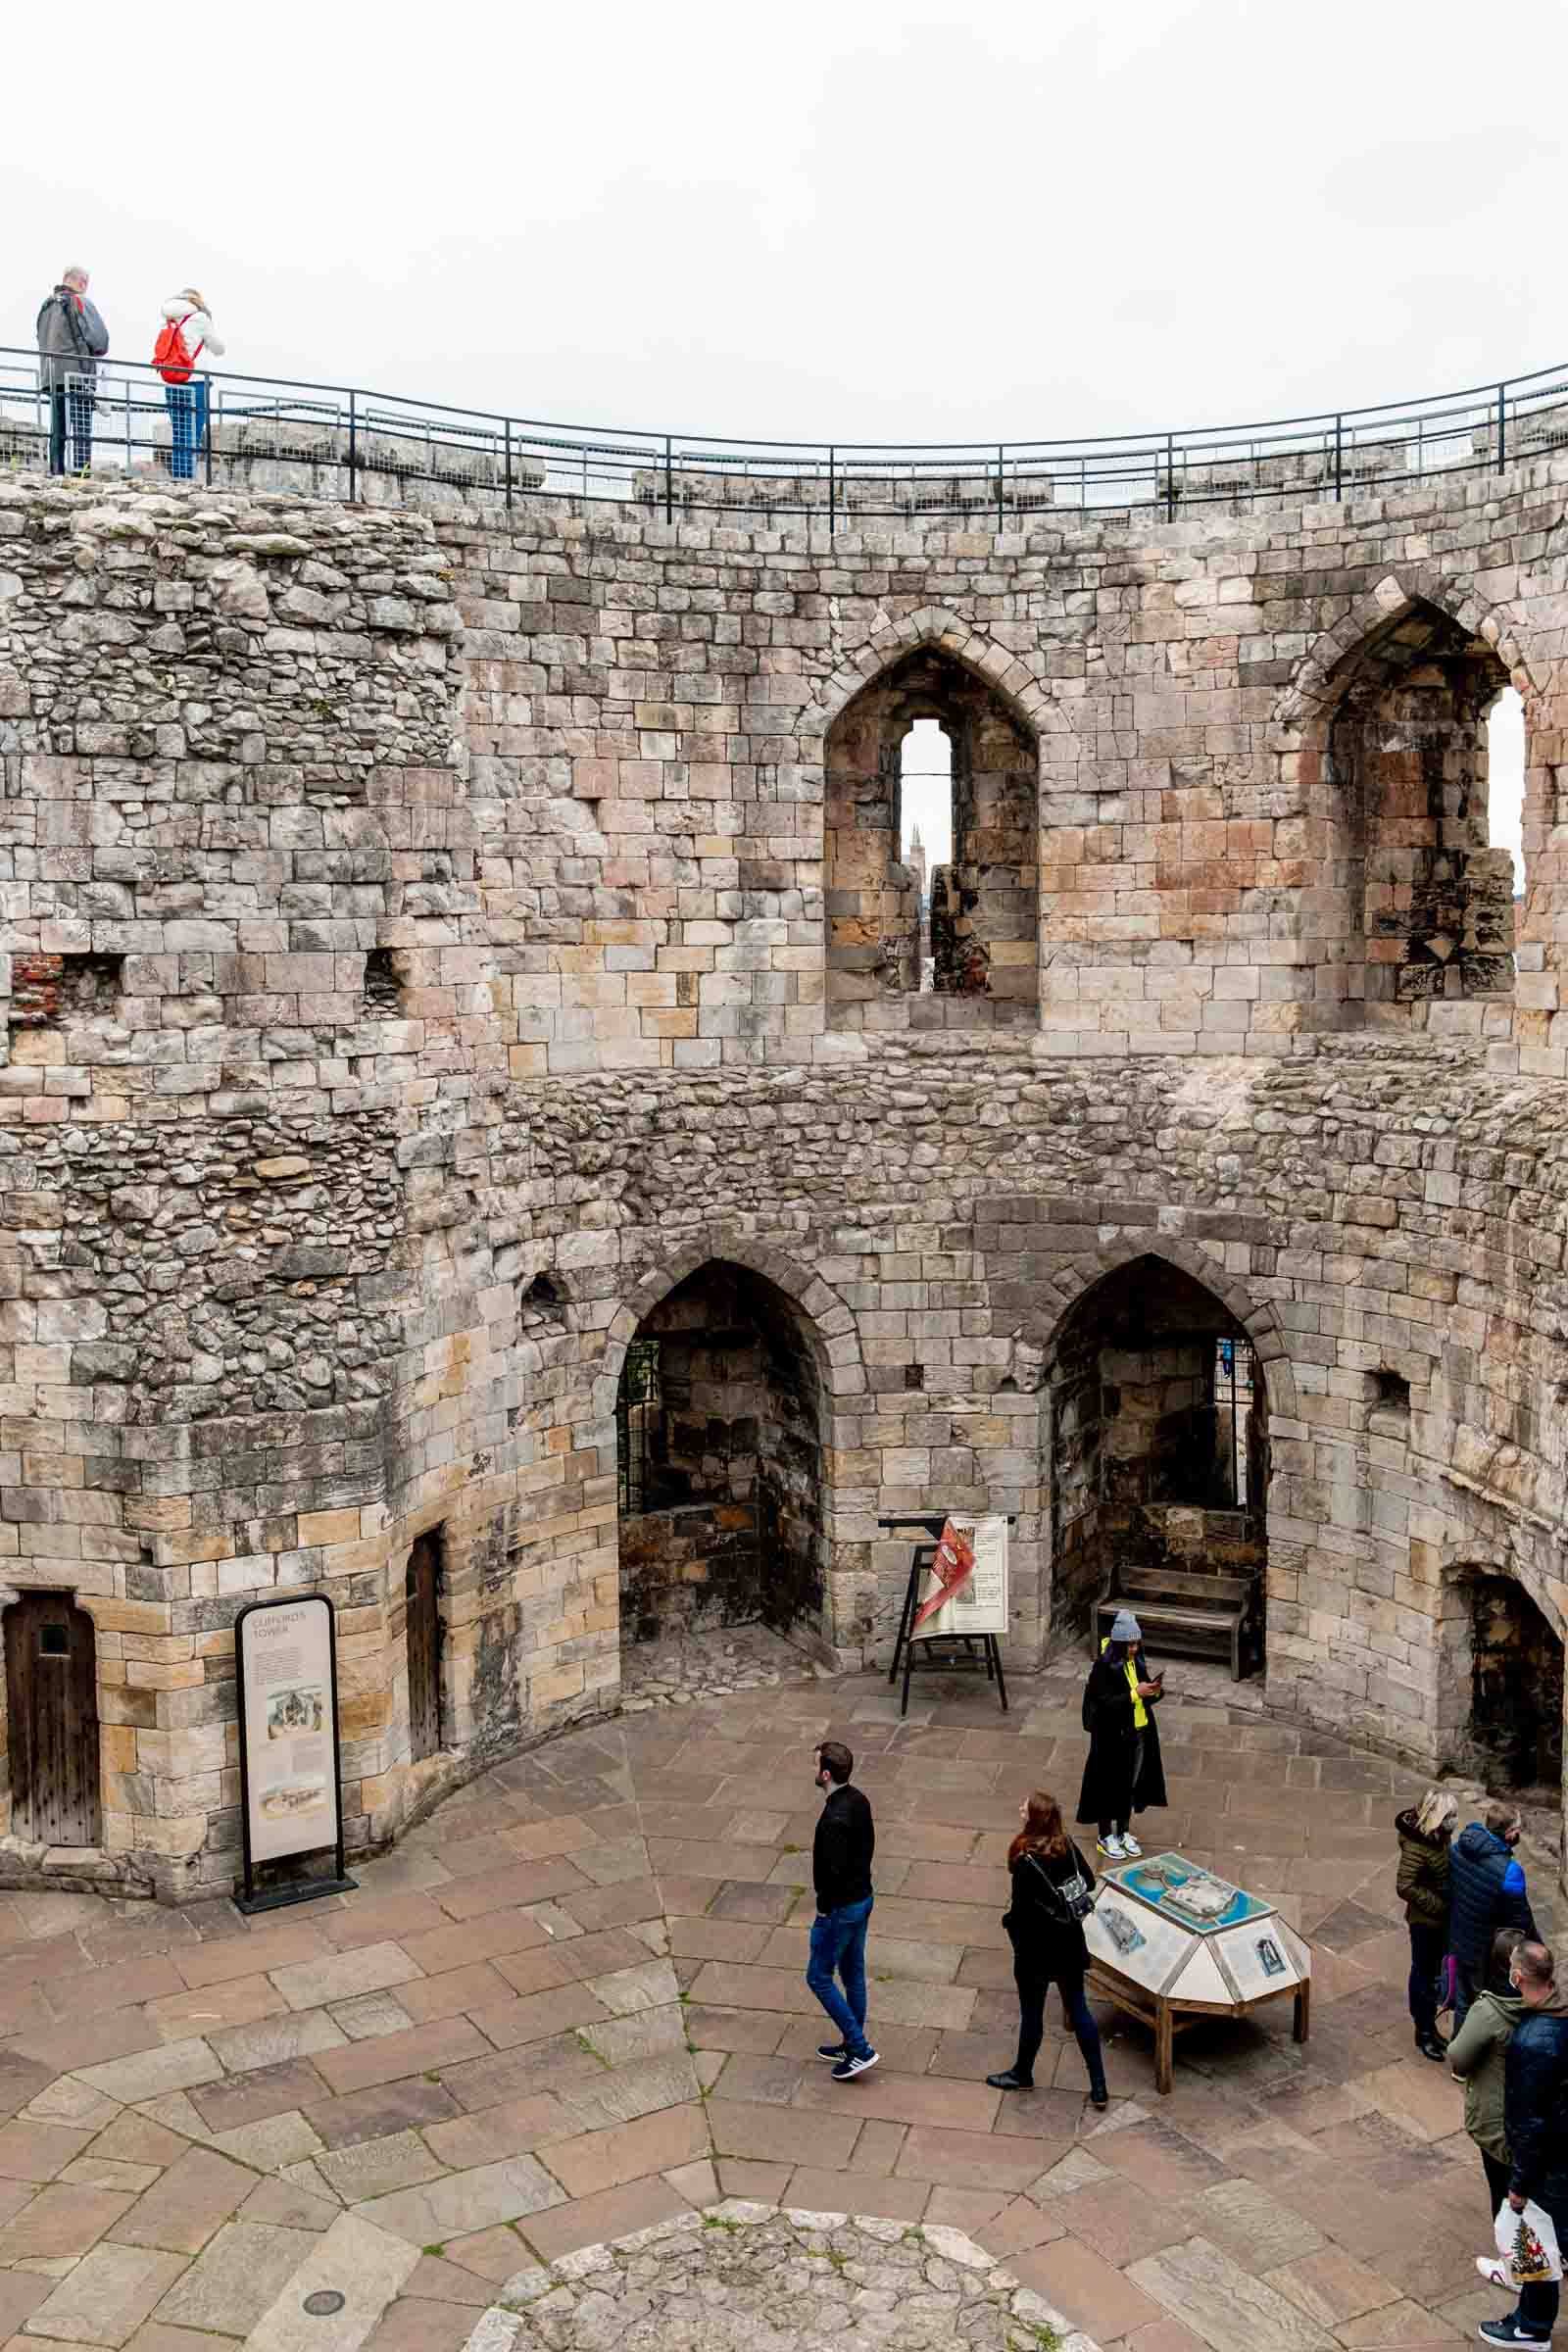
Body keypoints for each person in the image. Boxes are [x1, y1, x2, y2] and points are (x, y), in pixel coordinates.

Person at [987, 1789, 1108, 2109]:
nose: (1020, 1810)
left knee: (1032, 2014)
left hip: (1035, 1952)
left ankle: (1022, 2073)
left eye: (1025, 1809)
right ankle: (1098, 2086)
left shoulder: (1026, 1861)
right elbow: (1089, 1883)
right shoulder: (1065, 1844)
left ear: (1036, 1817)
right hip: (1068, 1944)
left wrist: (1011, 1926)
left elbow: (1021, 1910)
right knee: (1079, 2010)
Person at [1483, 1939, 1568, 2345]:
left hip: (1549, 2165)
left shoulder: (1532, 2041)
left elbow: (1530, 2124)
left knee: (1536, 2246)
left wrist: (1518, 2186)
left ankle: (1531, 2328)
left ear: (1517, 1978)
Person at [806, 1740, 877, 2082]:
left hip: (841, 1909)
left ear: (825, 1773)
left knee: (818, 1976)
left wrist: (823, 1911)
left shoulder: (833, 1818)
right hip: (862, 1898)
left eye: (815, 1764)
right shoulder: (858, 1799)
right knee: (852, 1975)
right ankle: (852, 2043)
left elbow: (831, 1875)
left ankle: (860, 2049)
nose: (813, 1770)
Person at [1449, 1926, 1527, 2223]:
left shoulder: (1489, 2012)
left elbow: (1458, 2055)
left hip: (1498, 2122)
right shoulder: (1548, 2005)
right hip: (1539, 2123)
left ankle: (1513, 2261)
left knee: (1504, 2194)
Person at [1076, 1608, 1167, 1860]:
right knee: (1108, 1785)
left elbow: (1143, 1692)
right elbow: (1104, 1703)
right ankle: (1105, 1835)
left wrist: (1154, 1691)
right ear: (1118, 1644)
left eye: (1136, 1643)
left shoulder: (1136, 1663)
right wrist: (1135, 1694)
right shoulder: (1103, 1667)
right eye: (1129, 1645)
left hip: (1137, 1733)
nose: (1134, 1649)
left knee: (1129, 1784)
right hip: (1111, 1737)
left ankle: (1123, 1831)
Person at [1450, 1800, 1538, 2032]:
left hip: (1459, 1936)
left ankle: (1458, 2057)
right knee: (1484, 2004)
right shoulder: (1510, 1871)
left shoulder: (1460, 1847)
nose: (1519, 1833)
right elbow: (1521, 1919)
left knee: (1462, 2001)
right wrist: (1536, 1947)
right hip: (1484, 1948)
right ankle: (1474, 2059)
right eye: (1517, 1829)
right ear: (1509, 1833)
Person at [1396, 1786, 1456, 2060]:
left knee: (1433, 1974)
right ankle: (1423, 2032)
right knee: (1422, 1975)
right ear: (1435, 1816)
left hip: (1439, 1920)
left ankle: (1430, 2027)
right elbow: (1405, 1885)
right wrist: (1436, 1904)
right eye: (1449, 1814)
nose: (1453, 1820)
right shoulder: (1417, 1848)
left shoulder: (1440, 1838)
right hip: (1424, 1923)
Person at [36, 267, 109, 477]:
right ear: (82, 283)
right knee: (82, 428)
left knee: (58, 428)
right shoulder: (80, 302)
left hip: (51, 375)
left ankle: (56, 471)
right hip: (78, 375)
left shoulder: (46, 305)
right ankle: (81, 473)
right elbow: (100, 340)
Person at [156, 291, 224, 482]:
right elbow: (219, 349)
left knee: (179, 431)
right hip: (195, 382)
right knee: (193, 431)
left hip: (172, 381)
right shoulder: (200, 318)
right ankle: (187, 477)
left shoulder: (168, 319)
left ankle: (179, 476)